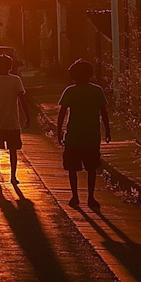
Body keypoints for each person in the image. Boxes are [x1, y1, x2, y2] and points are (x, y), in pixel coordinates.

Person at [57, 59, 111, 211]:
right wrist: (107, 131)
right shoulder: (97, 90)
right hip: (91, 136)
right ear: (90, 74)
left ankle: (75, 196)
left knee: (72, 169)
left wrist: (58, 132)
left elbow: (61, 114)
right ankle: (91, 197)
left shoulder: (70, 91)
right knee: (91, 169)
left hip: (73, 136)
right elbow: (104, 113)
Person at [0, 54, 30, 184]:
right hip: (12, 122)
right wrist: (27, 116)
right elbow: (22, 99)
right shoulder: (15, 80)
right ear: (10, 66)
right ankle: (13, 176)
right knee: (13, 150)